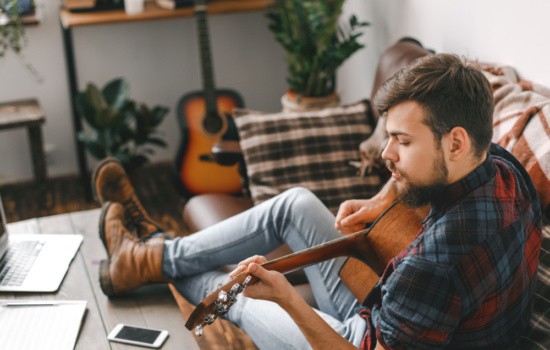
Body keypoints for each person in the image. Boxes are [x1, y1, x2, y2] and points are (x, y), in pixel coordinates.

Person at [94, 53, 542, 349]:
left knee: (249, 295)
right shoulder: (502, 163)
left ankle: (145, 258)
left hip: (363, 339)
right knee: (295, 204)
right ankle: (150, 255)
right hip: (398, 314)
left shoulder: (438, 261)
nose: (386, 154)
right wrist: (381, 199)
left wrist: (288, 299)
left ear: (457, 142)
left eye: (402, 142)